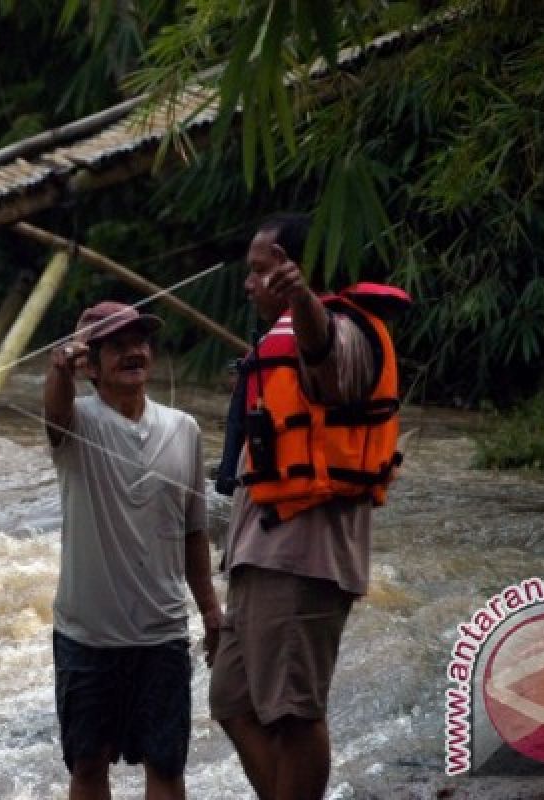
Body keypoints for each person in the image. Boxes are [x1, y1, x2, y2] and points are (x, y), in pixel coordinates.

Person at [209, 214, 405, 800]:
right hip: (258, 555)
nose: (249, 283)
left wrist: (303, 301)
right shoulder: (274, 344)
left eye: (260, 271)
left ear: (296, 274)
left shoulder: (336, 329)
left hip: (302, 558)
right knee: (230, 699)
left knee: (294, 713)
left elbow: (321, 351)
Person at [44, 300, 222, 800]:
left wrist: (210, 610)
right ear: (91, 366)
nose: (134, 352)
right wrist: (61, 365)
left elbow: (193, 530)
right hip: (87, 634)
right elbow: (55, 408)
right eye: (118, 345)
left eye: (141, 342)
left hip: (161, 633)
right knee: (87, 765)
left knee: (166, 766)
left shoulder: (183, 429)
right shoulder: (77, 423)